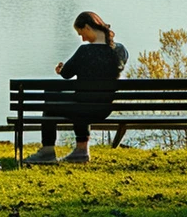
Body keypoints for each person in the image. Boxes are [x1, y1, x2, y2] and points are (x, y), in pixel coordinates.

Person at [25, 11, 128, 165]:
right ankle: (81, 150)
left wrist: (61, 69)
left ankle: (47, 151)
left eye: (81, 33)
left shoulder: (84, 51)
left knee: (51, 97)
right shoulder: (119, 50)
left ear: (87, 27)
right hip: (104, 109)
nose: (82, 38)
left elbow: (67, 74)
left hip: (83, 107)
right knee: (82, 99)